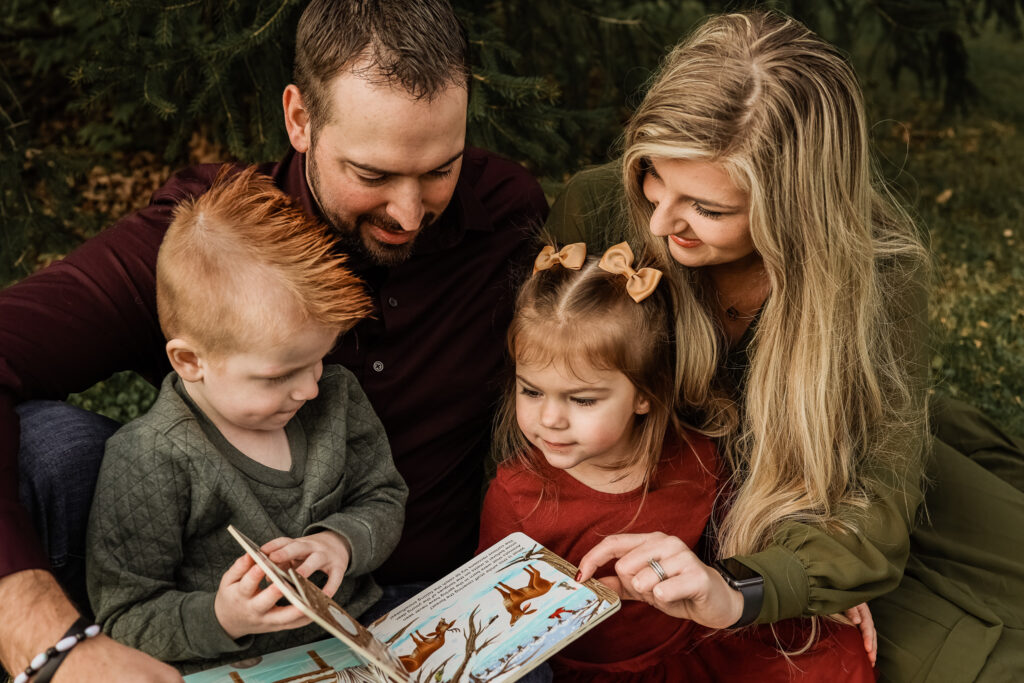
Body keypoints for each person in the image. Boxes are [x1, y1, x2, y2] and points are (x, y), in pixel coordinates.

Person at [0, 1, 546, 681]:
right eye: (372, 175)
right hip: (216, 611)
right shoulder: (204, 249)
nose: (411, 214)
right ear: (299, 119)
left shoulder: (506, 214)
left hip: (415, 597)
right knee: (50, 443)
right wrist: (43, 635)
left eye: (441, 168)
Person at [549, 11, 1024, 682]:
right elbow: (535, 402)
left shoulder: (876, 269)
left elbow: (870, 506)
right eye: (653, 174)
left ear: (795, 205)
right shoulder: (594, 207)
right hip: (653, 505)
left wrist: (745, 588)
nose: (658, 221)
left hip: (811, 491)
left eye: (708, 210)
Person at [478, 241, 876, 681]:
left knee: (832, 651)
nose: (549, 419)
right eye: (531, 391)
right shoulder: (517, 496)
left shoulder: (694, 458)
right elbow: (494, 613)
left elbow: (747, 540)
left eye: (583, 400)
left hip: (689, 642)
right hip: (586, 670)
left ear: (644, 397)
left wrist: (811, 585)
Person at [84, 167, 408, 674]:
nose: (309, 387)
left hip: (358, 631)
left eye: (319, 359)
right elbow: (126, 615)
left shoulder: (334, 397)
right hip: (238, 663)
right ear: (191, 362)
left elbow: (383, 496)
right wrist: (222, 616)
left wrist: (338, 540)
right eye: (281, 375)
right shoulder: (152, 458)